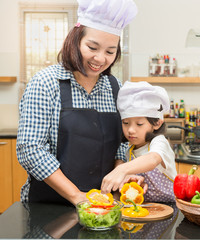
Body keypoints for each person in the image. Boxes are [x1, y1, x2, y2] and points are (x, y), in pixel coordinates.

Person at [16, 0, 139, 206]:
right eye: (92, 47)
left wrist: (120, 176)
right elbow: (30, 149)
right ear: (75, 40)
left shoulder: (115, 87)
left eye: (110, 52)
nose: (100, 58)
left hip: (102, 205)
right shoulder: (46, 83)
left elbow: (120, 145)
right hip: (49, 206)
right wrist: (77, 196)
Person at [101, 81, 177, 202]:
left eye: (139, 124)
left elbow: (152, 159)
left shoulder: (159, 142)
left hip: (170, 207)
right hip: (143, 207)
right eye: (125, 123)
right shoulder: (129, 150)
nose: (130, 130)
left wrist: (121, 170)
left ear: (157, 123)